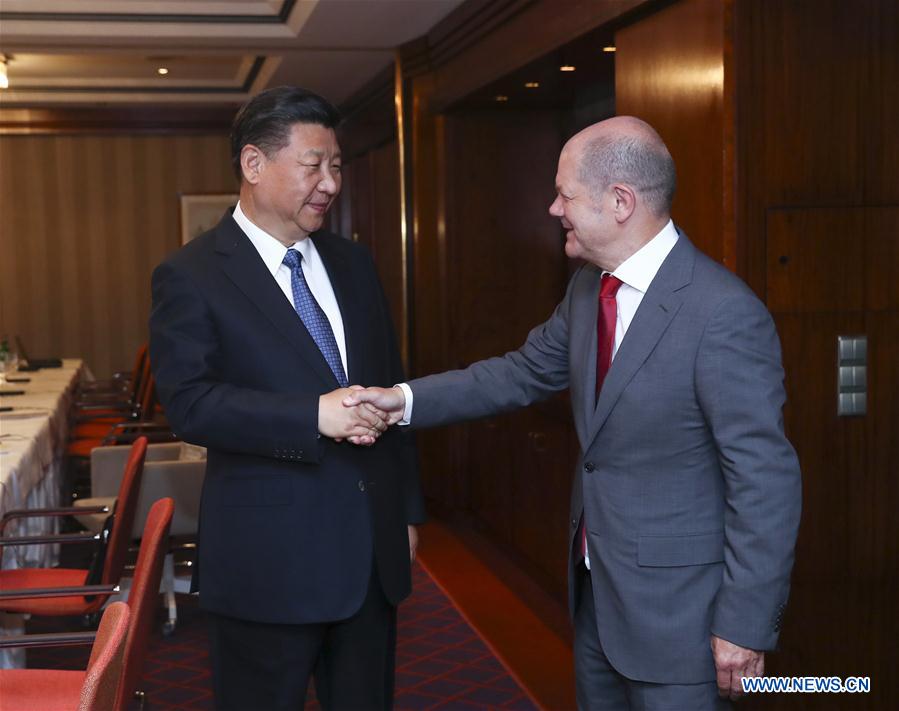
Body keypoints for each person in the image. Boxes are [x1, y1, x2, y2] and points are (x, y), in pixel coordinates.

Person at [345, 116, 802, 710]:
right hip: (596, 602)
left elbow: (764, 481)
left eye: (565, 193)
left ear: (620, 201)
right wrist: (401, 400)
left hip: (683, 621)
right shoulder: (589, 290)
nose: (553, 207)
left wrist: (744, 624)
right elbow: (518, 372)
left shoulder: (722, 313)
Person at [149, 86, 424, 710]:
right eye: (313, 166)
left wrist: (406, 509)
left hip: (370, 558)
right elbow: (190, 404)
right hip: (267, 563)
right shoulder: (192, 275)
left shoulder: (353, 264)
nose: (330, 183)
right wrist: (313, 415)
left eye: (336, 166)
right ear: (254, 164)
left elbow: (393, 387)